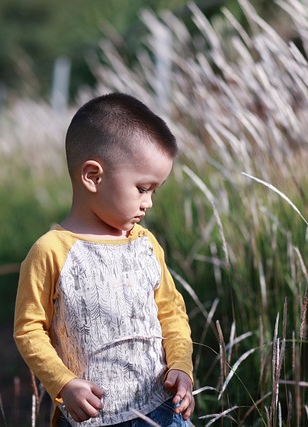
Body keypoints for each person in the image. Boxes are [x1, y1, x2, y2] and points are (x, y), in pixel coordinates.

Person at [13, 93, 194, 427]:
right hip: (91, 419)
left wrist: (181, 366)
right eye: (142, 188)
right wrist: (63, 384)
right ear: (93, 177)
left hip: (161, 410)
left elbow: (171, 312)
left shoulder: (145, 245)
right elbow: (29, 329)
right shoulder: (51, 251)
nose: (149, 203)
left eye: (154, 191)